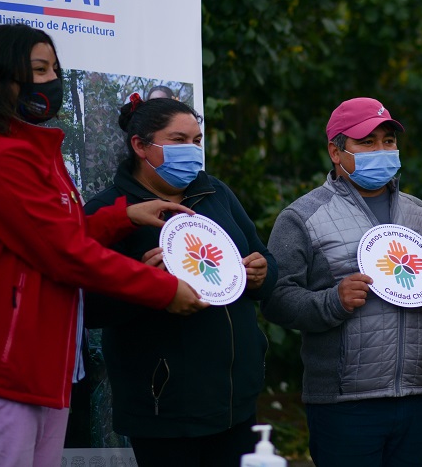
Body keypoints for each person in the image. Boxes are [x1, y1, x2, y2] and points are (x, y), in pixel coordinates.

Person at [0, 24, 206, 467]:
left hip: (41, 366)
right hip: (0, 367)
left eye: (54, 70)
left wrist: (120, 218)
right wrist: (164, 289)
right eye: (37, 69)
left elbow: (53, 236)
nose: (50, 82)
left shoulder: (33, 151)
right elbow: (65, 254)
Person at [83, 94, 278, 467]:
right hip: (164, 411)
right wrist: (144, 286)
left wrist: (260, 273)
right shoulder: (110, 212)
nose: (192, 150)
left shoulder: (216, 192)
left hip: (235, 402)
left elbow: (265, 261)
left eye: (197, 140)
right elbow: (88, 307)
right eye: (178, 140)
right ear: (140, 145)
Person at [261, 97, 422, 467]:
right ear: (335, 151)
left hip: (417, 398)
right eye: (367, 142)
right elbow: (275, 299)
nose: (382, 150)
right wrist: (333, 301)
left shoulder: (421, 215)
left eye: (389, 141)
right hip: (344, 406)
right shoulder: (302, 216)